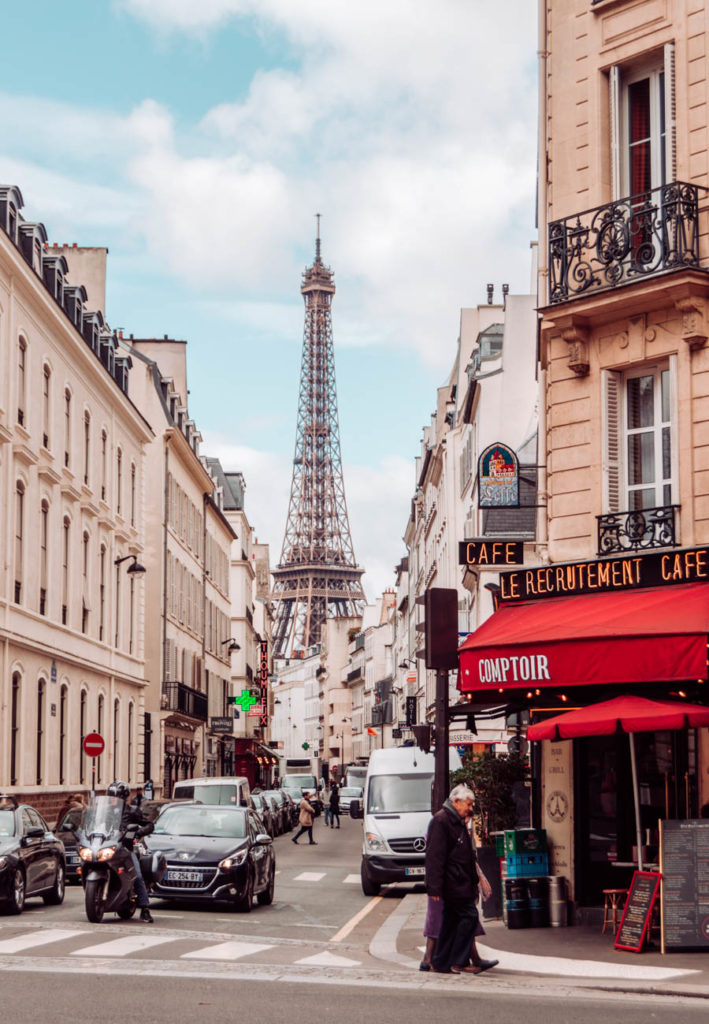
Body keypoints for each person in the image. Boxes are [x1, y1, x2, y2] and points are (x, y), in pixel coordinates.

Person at [425, 783, 498, 975]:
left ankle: (441, 963)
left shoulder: (456, 820)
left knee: (450, 922)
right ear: (456, 802)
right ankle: (458, 960)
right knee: (470, 917)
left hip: (460, 881)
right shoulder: (442, 821)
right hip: (453, 882)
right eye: (469, 804)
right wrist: (434, 887)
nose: (471, 808)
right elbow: (435, 856)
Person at [108, 780, 155, 923]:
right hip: (109, 848)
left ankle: (145, 908)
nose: (113, 799)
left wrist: (138, 832)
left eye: (116, 796)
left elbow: (149, 825)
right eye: (111, 796)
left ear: (123, 798)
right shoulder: (105, 812)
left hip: (126, 848)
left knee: (137, 875)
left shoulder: (132, 811)